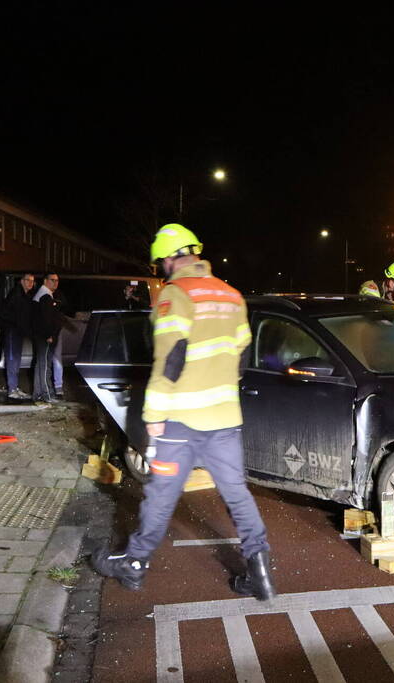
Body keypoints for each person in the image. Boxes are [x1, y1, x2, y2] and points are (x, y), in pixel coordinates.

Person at [91, 223, 274, 601]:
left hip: (180, 419)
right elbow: (241, 356)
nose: (161, 270)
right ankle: (258, 569)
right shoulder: (231, 295)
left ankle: (135, 564)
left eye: (161, 263)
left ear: (171, 259)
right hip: (225, 419)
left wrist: (154, 413)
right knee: (237, 494)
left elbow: (169, 359)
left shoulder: (175, 295)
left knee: (161, 494)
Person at [0, 273, 35, 399]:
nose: (30, 283)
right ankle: (12, 389)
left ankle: (14, 387)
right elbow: (7, 313)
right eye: (28, 280)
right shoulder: (16, 294)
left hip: (18, 332)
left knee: (16, 360)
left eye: (32, 281)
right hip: (12, 332)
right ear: (21, 281)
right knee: (12, 360)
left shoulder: (25, 295)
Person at [31, 272, 63, 402]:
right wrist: (49, 334)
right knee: (45, 366)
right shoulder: (45, 296)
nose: (55, 283)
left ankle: (37, 394)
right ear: (45, 281)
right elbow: (45, 319)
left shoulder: (44, 294)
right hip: (45, 337)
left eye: (57, 280)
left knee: (41, 365)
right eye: (52, 280)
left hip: (41, 336)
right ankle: (47, 395)